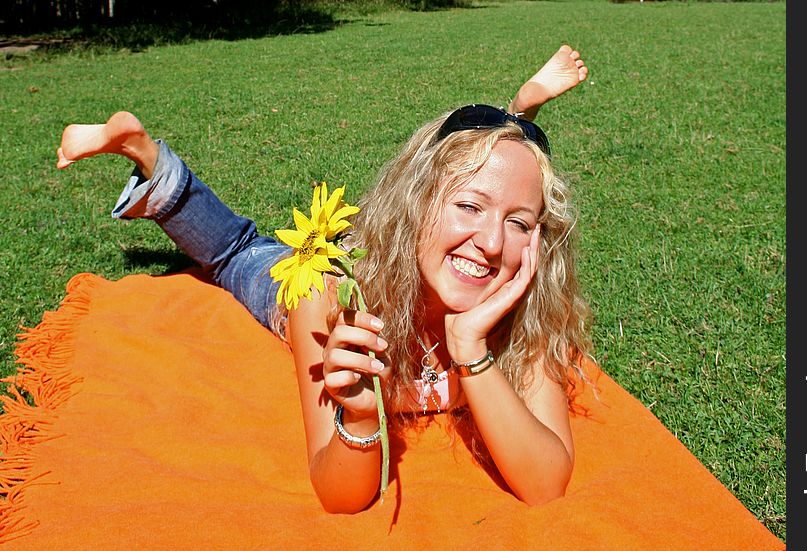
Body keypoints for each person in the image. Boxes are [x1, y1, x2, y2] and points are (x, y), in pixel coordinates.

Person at [55, 45, 590, 514]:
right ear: (416, 202)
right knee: (233, 252)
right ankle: (147, 156)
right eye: (469, 205)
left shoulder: (526, 309)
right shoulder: (331, 296)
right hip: (315, 272)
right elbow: (336, 493)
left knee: (500, 181)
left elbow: (545, 484)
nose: (494, 243)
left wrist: (471, 349)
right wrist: (357, 420)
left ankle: (521, 110)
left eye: (519, 222)